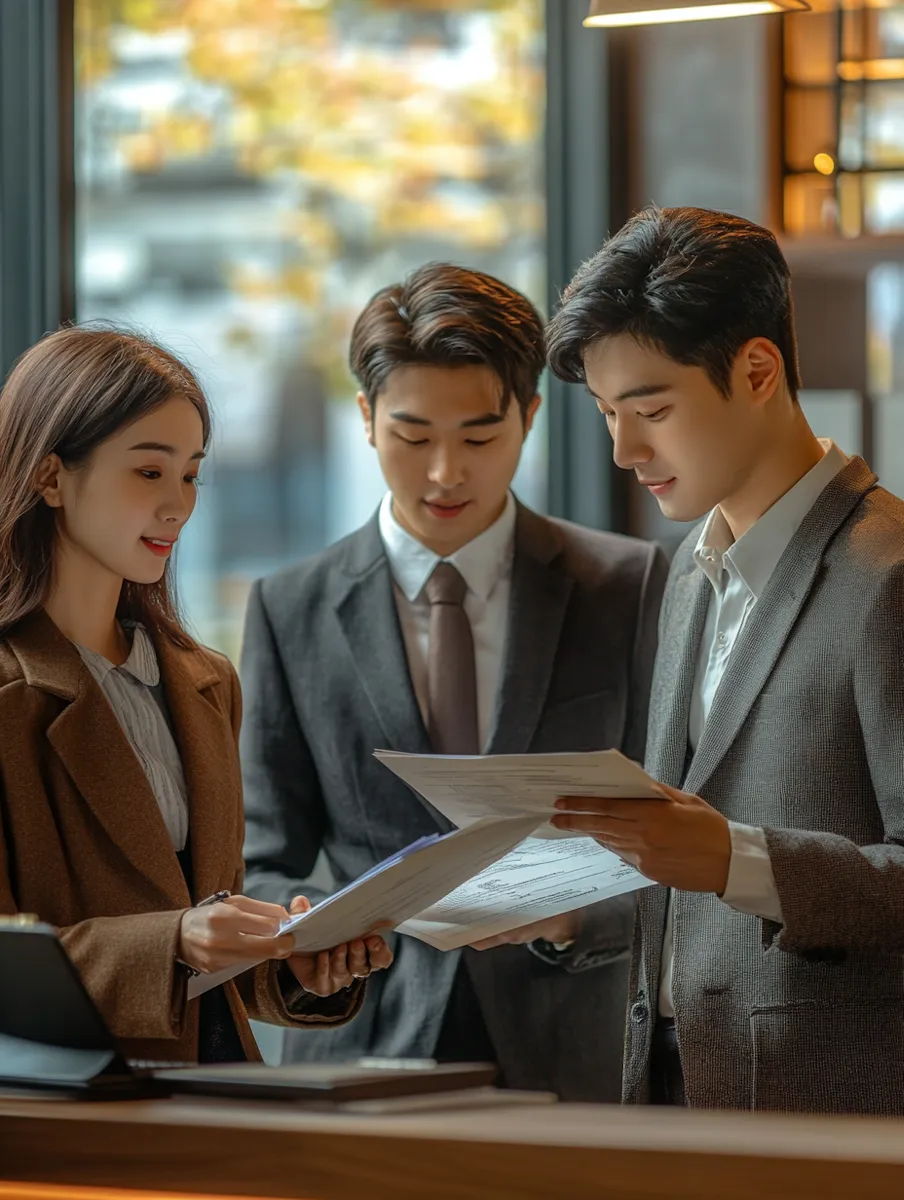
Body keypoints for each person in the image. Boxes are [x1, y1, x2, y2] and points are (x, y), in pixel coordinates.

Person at [240, 263, 668, 1101]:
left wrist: (577, 918)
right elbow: (267, 856)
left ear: (530, 417)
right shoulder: (289, 607)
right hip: (364, 1042)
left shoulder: (627, 583)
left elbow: (678, 826)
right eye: (412, 435)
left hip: (573, 1042)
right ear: (365, 419)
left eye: (478, 439)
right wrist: (308, 926)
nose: (445, 474)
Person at [544, 204, 904, 1116]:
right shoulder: (690, 574)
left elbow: (729, 860)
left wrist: (738, 857)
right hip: (676, 1096)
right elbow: (689, 873)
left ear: (756, 370)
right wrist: (564, 912)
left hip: (831, 1115)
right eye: (606, 415)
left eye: (651, 410)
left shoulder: (890, 574)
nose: (625, 451)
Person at [0, 326, 392, 1065]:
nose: (179, 505)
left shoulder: (203, 681)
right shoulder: (9, 697)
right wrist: (174, 940)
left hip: (217, 1098)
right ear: (51, 478)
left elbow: (210, 945)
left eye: (191, 474)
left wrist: (289, 961)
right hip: (70, 1119)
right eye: (148, 473)